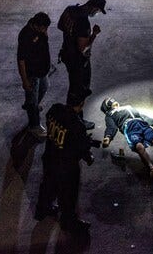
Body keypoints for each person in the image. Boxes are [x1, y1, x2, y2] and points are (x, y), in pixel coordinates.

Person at [35, 92, 95, 233]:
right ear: (81, 104)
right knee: (68, 196)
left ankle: (43, 209)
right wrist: (88, 154)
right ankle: (69, 222)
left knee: (48, 185)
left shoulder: (55, 109)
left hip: (50, 156)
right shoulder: (77, 124)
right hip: (66, 167)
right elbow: (81, 147)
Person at [100, 97, 153, 177]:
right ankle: (151, 167)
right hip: (129, 127)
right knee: (139, 146)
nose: (115, 102)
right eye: (111, 102)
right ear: (108, 106)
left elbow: (142, 115)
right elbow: (111, 126)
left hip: (142, 123)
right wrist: (108, 137)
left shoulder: (128, 107)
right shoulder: (110, 114)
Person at [57, 0, 107, 130]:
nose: (96, 13)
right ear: (93, 8)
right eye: (97, 11)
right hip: (78, 61)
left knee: (73, 87)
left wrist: (70, 36)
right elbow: (83, 47)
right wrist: (94, 34)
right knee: (79, 91)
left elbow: (60, 26)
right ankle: (76, 122)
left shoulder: (70, 9)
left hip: (66, 53)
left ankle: (70, 118)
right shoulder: (83, 22)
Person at [17, 12, 52, 137]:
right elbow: (21, 60)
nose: (45, 31)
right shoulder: (26, 36)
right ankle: (34, 125)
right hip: (33, 73)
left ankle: (32, 104)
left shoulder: (41, 31)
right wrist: (25, 80)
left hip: (43, 70)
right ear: (36, 26)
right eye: (44, 28)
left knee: (44, 87)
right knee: (32, 100)